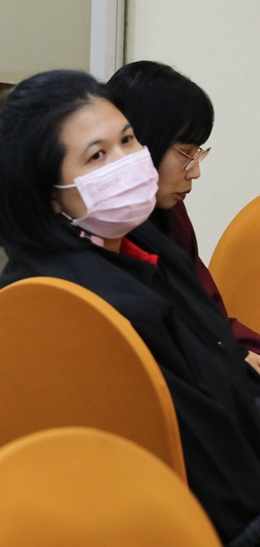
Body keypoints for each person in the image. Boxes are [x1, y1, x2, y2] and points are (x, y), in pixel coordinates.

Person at [0, 69, 260, 544]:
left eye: (128, 140)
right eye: (97, 155)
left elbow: (227, 382)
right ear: (47, 191)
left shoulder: (147, 248)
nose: (128, 161)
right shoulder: (80, 301)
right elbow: (202, 457)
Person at [107, 60, 260, 362]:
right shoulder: (101, 235)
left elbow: (209, 316)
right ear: (140, 145)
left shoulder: (172, 212)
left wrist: (242, 353)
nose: (195, 172)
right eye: (186, 154)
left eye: (198, 153)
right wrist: (231, 362)